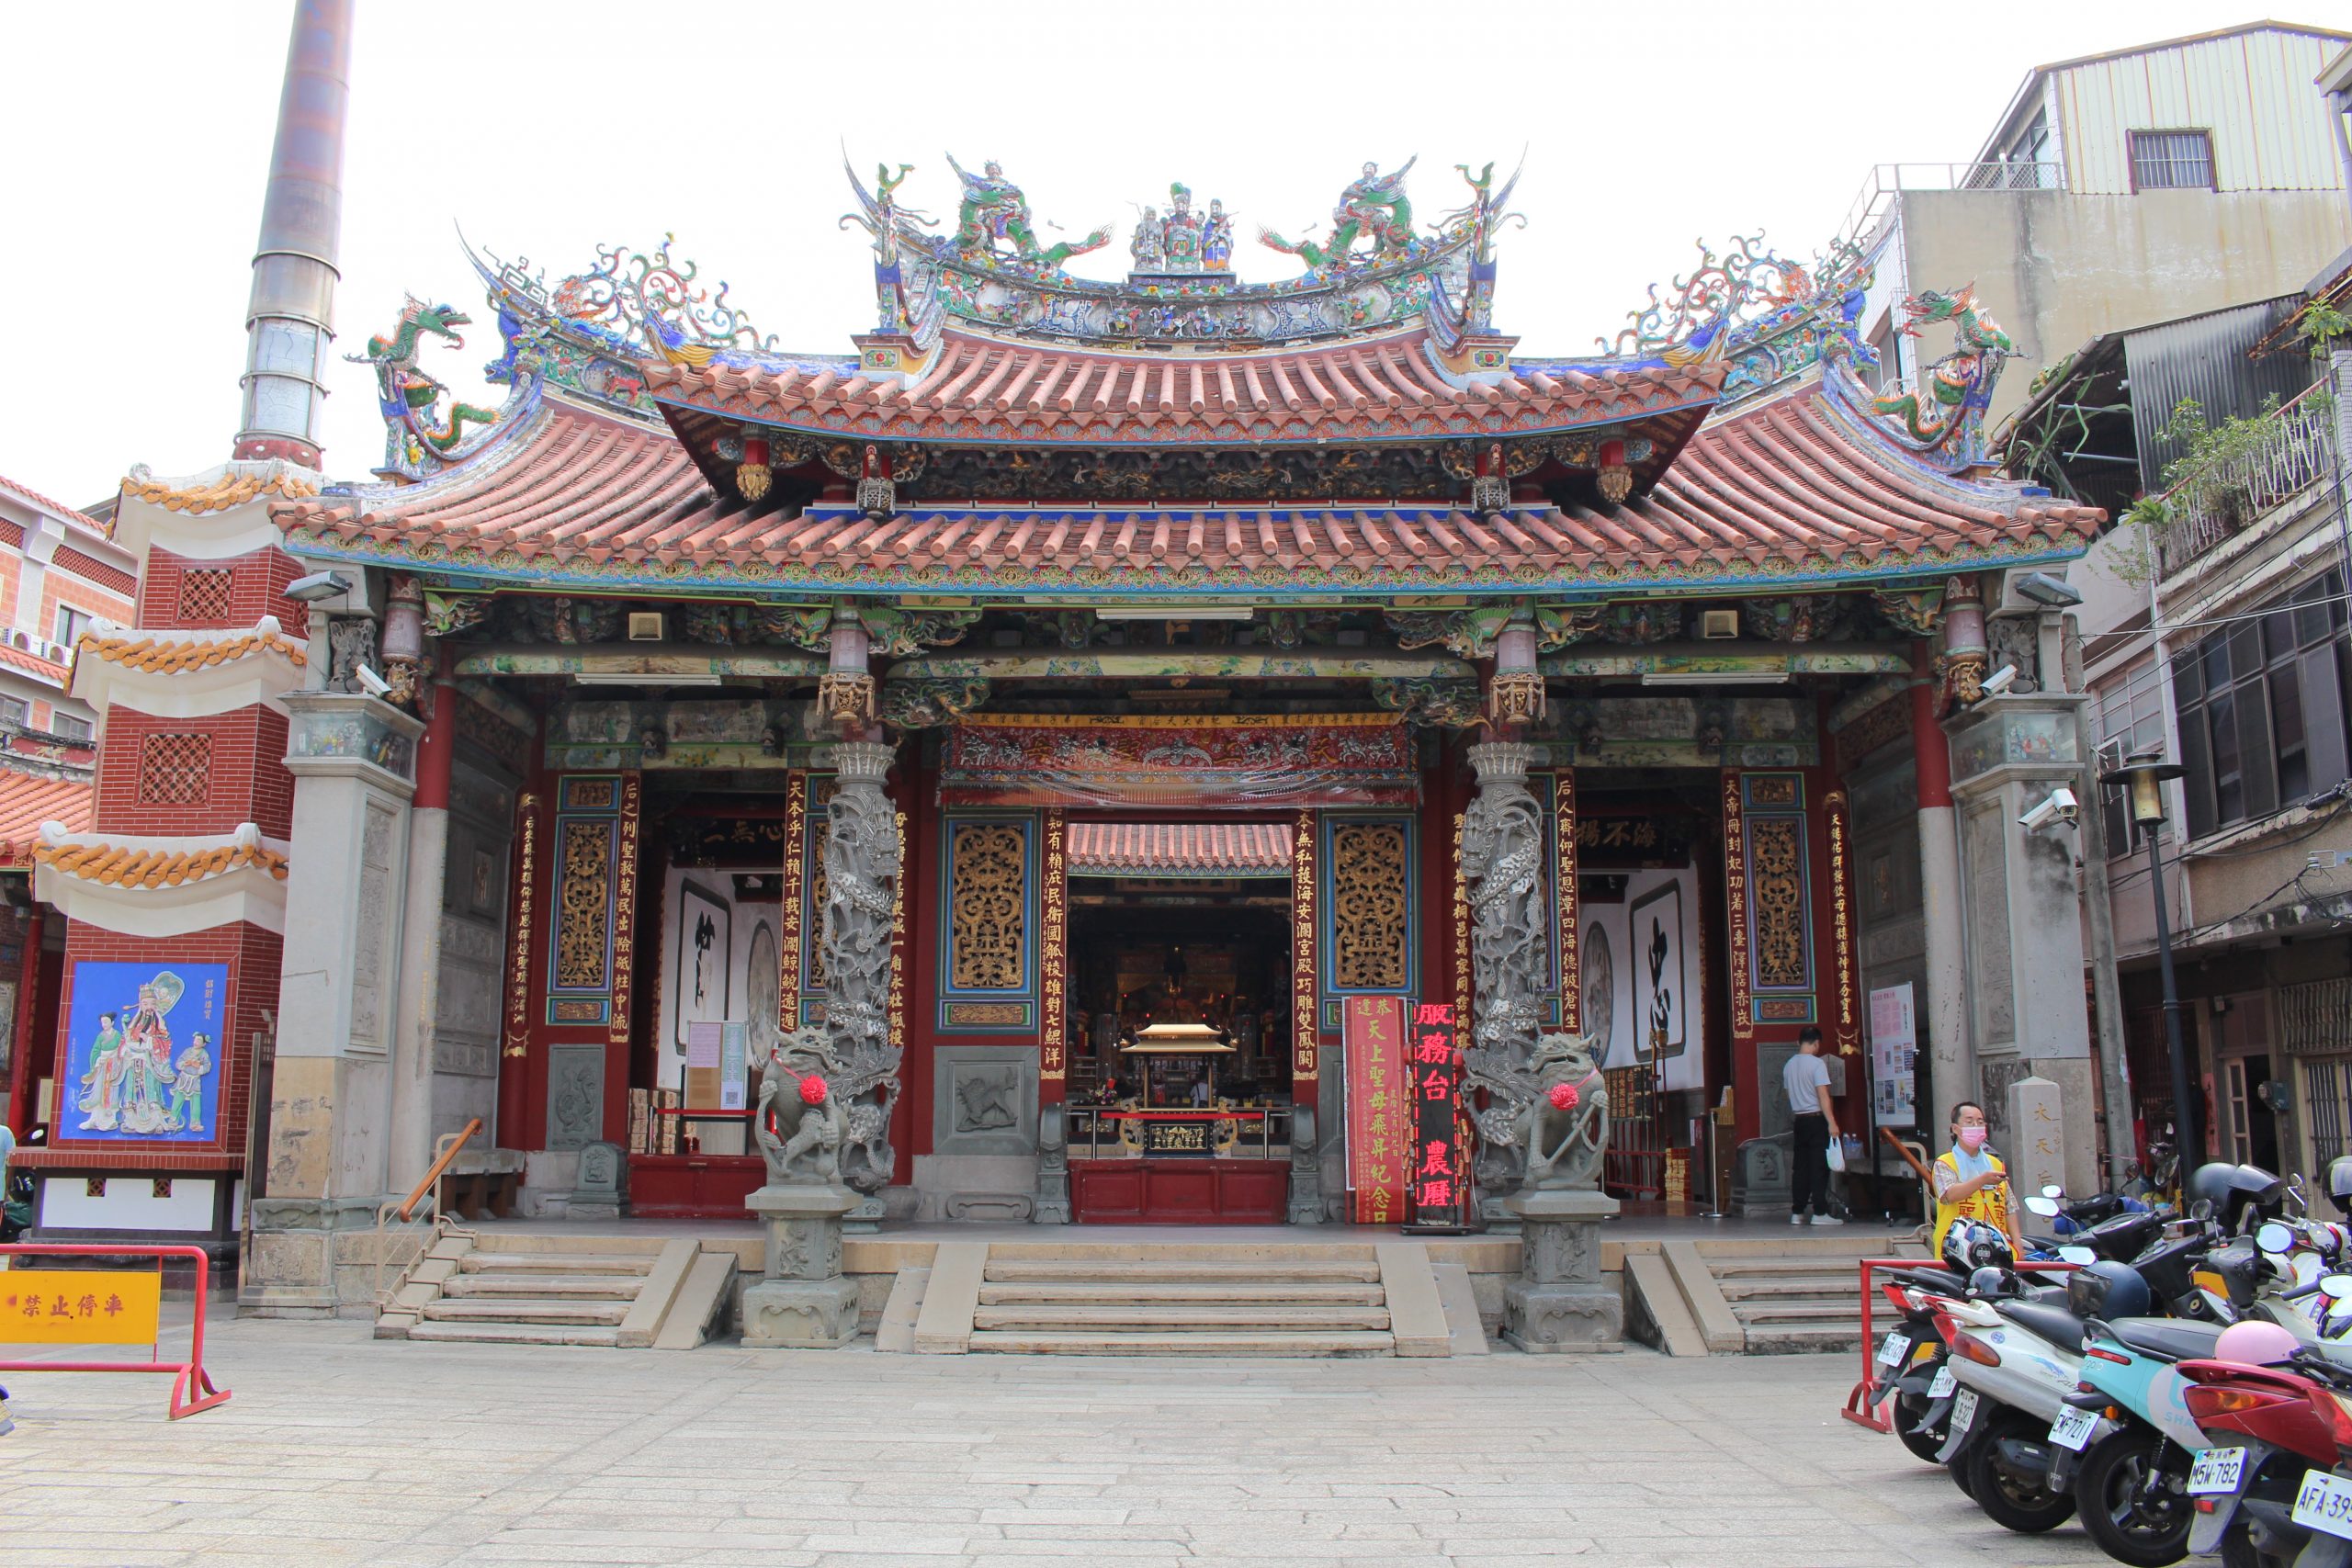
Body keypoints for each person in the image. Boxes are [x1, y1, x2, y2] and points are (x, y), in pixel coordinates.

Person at [1932, 1100, 2023, 1258]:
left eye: (1980, 1122)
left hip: (1996, 1246)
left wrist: (2017, 1242)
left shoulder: (1995, 1163)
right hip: (1956, 1249)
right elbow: (1949, 1195)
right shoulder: (1944, 1163)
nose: (1976, 1125)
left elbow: (2009, 1206)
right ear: (1955, 1129)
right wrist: (1982, 1180)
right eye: (1969, 1122)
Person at [1782, 1026, 1842, 1225]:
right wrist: (1832, 1122)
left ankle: (1797, 1212)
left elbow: (1788, 1094)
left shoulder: (1789, 1065)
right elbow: (1823, 1095)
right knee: (1818, 1167)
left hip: (1799, 1120)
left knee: (1800, 1168)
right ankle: (1819, 1212)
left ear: (1799, 1042)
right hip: (1817, 1119)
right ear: (1816, 1043)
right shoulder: (1817, 1065)